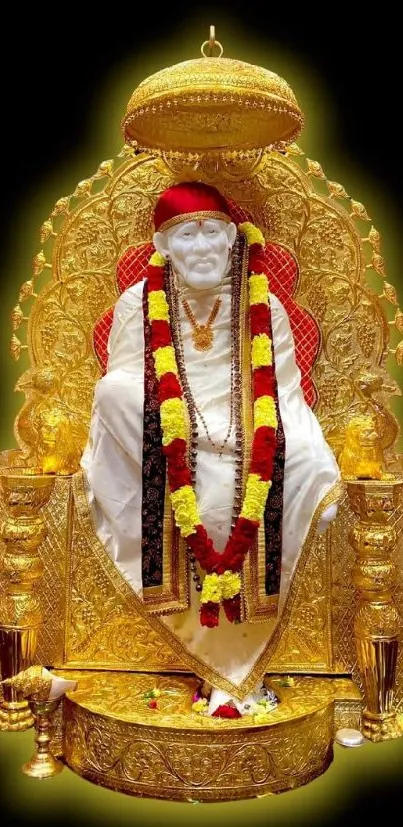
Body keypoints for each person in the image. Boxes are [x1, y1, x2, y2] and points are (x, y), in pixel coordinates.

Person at [81, 181, 340, 716]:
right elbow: (123, 381)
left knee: (282, 472)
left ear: (232, 240)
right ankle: (200, 460)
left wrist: (317, 460)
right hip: (170, 435)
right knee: (112, 393)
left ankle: (244, 665)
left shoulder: (264, 303)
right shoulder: (139, 302)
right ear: (163, 246)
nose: (200, 247)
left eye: (211, 234)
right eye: (187, 235)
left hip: (252, 426)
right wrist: (184, 435)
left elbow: (286, 394)